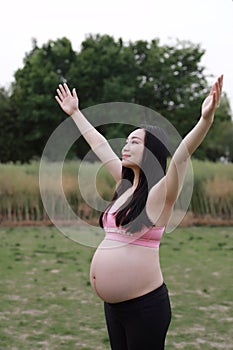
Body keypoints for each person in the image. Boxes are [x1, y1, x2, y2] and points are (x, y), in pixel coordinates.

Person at [55, 75, 223, 350]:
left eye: (134, 141)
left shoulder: (159, 195)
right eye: (127, 141)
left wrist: (205, 120)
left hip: (144, 308)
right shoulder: (124, 188)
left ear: (151, 152)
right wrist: (75, 113)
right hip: (114, 308)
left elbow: (182, 155)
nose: (125, 145)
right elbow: (99, 145)